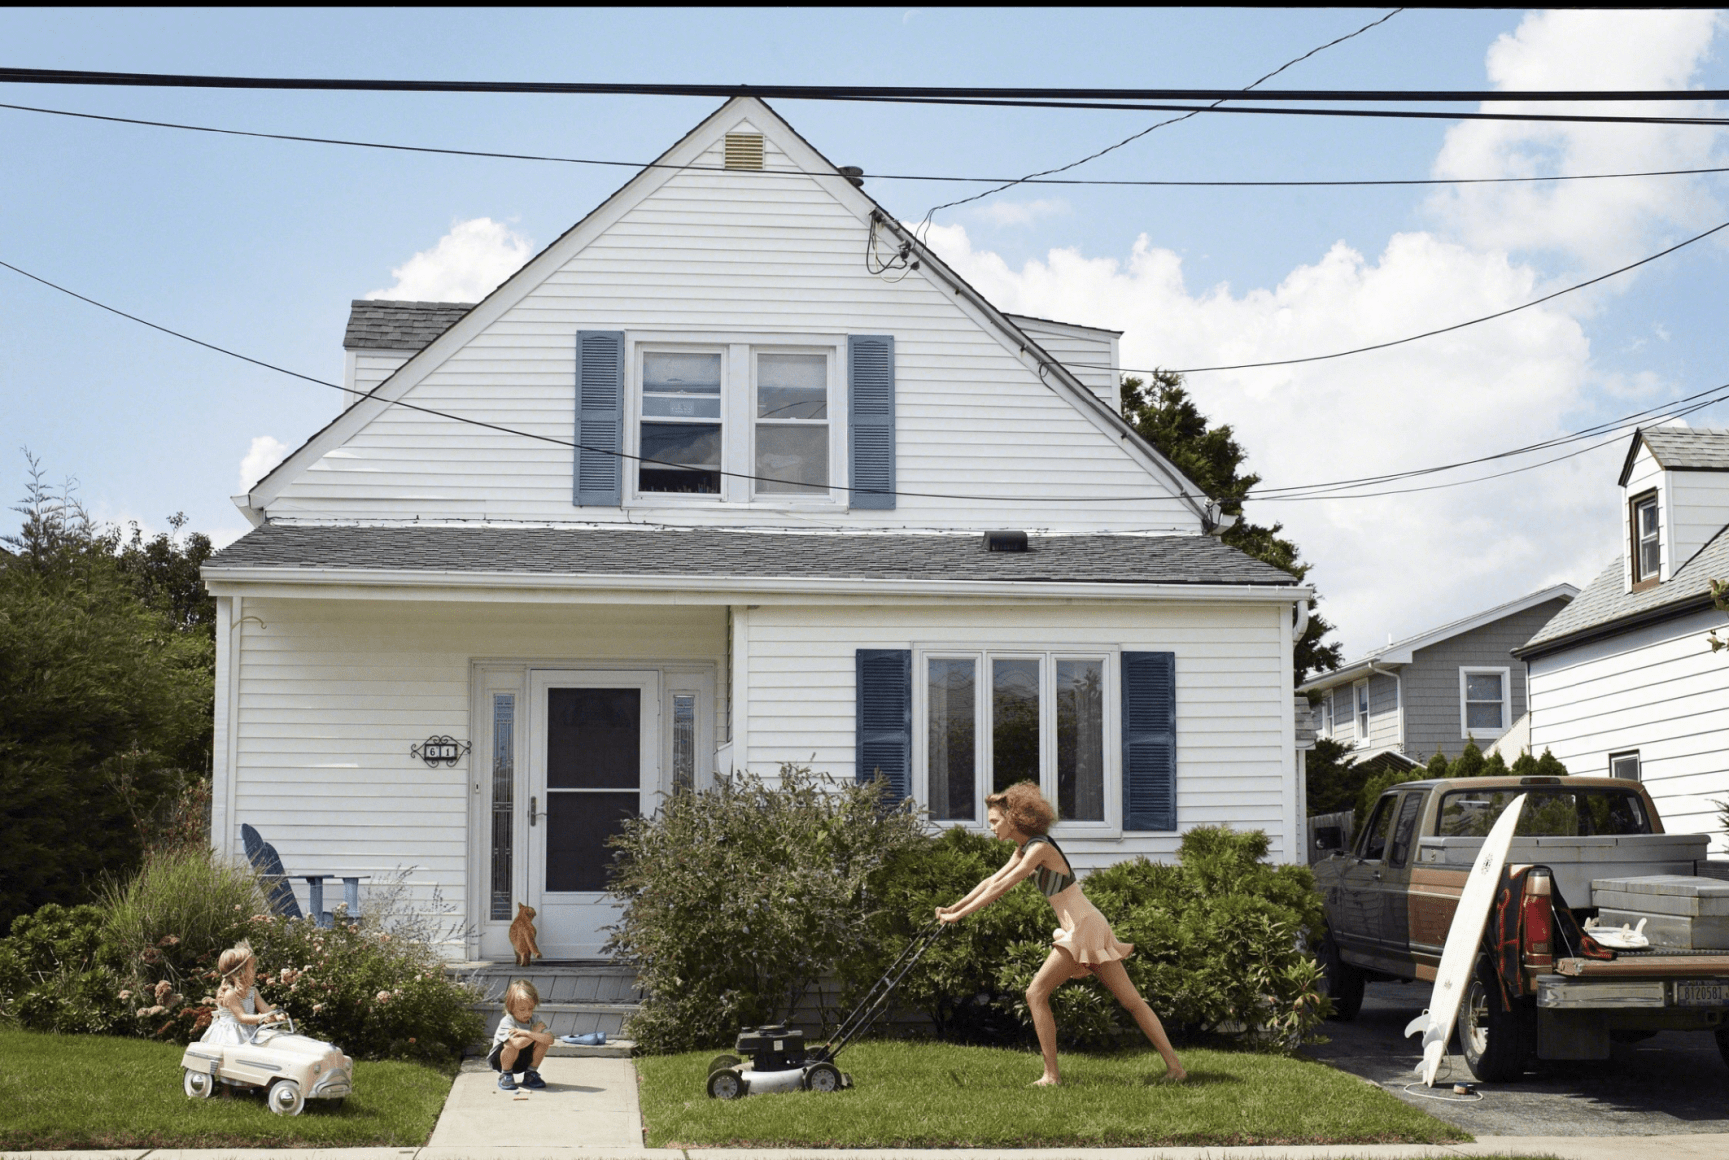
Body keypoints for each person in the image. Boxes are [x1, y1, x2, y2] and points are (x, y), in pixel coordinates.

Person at [937, 781, 1186, 1086]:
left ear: (1013, 818)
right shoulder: (1025, 849)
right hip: (1085, 925)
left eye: (994, 821)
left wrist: (959, 916)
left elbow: (1004, 885)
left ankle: (1051, 1075)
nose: (991, 828)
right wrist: (953, 908)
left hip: (1083, 927)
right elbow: (992, 880)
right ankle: (1176, 1068)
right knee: (1131, 1001)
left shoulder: (1040, 848)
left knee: (1036, 994)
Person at [201, 940, 286, 1051]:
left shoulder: (253, 991)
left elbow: (265, 1008)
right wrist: (262, 1018)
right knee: (233, 1054)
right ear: (240, 973)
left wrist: (275, 1016)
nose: (255, 970)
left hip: (248, 1030)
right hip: (231, 1034)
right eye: (252, 968)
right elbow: (241, 1017)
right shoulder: (230, 993)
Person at [489, 979, 553, 1091]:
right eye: (522, 1009)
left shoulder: (535, 1019)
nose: (527, 1013)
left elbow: (550, 1039)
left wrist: (527, 1033)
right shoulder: (508, 1022)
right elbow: (517, 1044)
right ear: (511, 1008)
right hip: (501, 1061)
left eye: (530, 1008)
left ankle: (530, 1074)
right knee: (510, 1044)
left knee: (543, 1041)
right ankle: (506, 1075)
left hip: (523, 1060)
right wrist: (535, 1033)